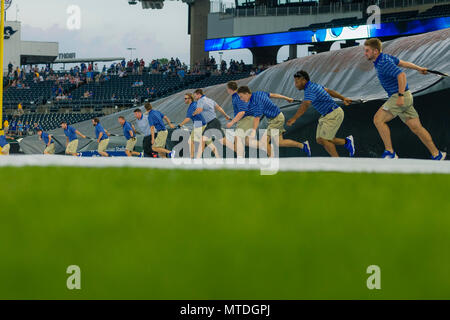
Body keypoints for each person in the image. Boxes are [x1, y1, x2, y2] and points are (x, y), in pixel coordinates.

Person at [364, 38, 446, 160]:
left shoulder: (383, 62)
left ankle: (390, 152)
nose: (365, 53)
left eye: (367, 51)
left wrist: (401, 96)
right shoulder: (385, 57)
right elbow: (403, 63)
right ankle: (437, 154)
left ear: (375, 51)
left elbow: (401, 75)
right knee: (417, 128)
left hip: (399, 96)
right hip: (405, 96)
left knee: (378, 120)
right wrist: (419, 68)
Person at [286, 70, 355, 158]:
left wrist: (294, 118)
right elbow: (329, 91)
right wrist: (343, 98)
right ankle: (347, 142)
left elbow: (305, 105)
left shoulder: (310, 89)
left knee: (325, 139)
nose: (295, 84)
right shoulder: (314, 86)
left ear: (303, 80)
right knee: (320, 140)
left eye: (297, 81)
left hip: (333, 113)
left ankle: (338, 162)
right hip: (326, 115)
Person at [237, 86, 311, 158]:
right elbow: (273, 95)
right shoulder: (259, 93)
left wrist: (253, 131)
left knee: (264, 142)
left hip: (276, 119)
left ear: (246, 94)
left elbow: (257, 118)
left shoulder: (256, 102)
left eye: (241, 96)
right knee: (280, 142)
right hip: (276, 118)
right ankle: (302, 145)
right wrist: (287, 98)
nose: (241, 99)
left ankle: (271, 160)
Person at [193, 89, 235, 156]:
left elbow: (199, 110)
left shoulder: (200, 101)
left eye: (195, 96)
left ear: (199, 94)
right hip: (215, 122)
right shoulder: (210, 100)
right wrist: (226, 116)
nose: (194, 98)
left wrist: (194, 113)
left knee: (203, 140)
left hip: (212, 123)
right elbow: (219, 108)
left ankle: (197, 158)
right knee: (223, 141)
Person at [177, 93, 219, 158]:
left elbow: (188, 118)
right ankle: (219, 157)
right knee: (209, 142)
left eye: (185, 98)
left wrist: (179, 125)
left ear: (190, 99)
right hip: (203, 124)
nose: (184, 100)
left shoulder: (192, 106)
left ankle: (192, 158)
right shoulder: (196, 104)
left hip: (199, 124)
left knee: (190, 141)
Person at [225, 81, 258, 157]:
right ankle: (265, 146)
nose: (227, 91)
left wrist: (232, 122)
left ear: (230, 89)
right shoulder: (236, 96)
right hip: (246, 120)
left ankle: (240, 160)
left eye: (227, 89)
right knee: (247, 142)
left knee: (238, 139)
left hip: (246, 120)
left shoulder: (237, 97)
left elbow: (242, 112)